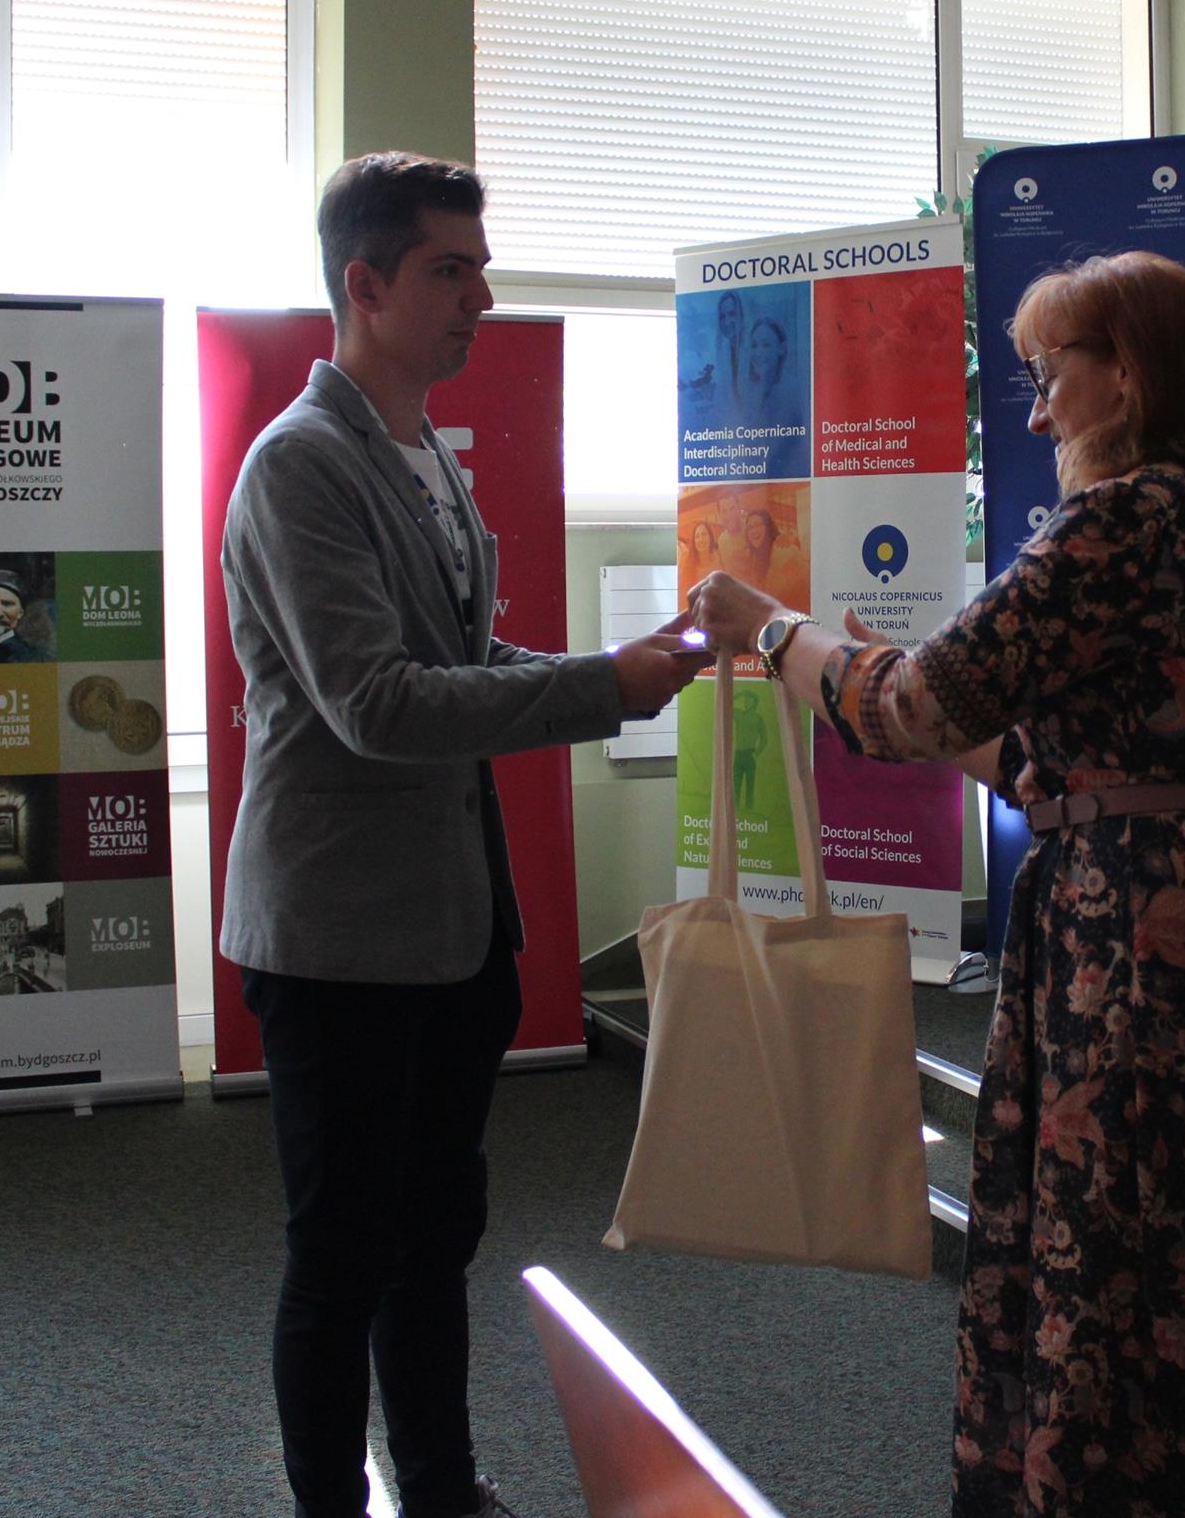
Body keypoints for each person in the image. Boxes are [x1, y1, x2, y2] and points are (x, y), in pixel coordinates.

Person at [691, 249, 1185, 1518]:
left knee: (1114, 1255)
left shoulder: (1122, 521)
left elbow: (914, 708)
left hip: (1128, 945)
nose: (1033, 417)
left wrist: (771, 630)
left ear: (1125, 376)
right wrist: (868, 672)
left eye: (1047, 377)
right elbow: (1039, 758)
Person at [220, 150, 710, 1518]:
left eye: (482, 270)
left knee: (433, 1238)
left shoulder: (423, 450)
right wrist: (599, 688)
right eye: (452, 271)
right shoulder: (298, 467)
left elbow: (458, 656)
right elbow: (376, 702)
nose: (481, 299)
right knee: (341, 1257)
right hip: (338, 939)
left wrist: (624, 670)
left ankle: (440, 1489)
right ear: (365, 285)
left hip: (450, 928)